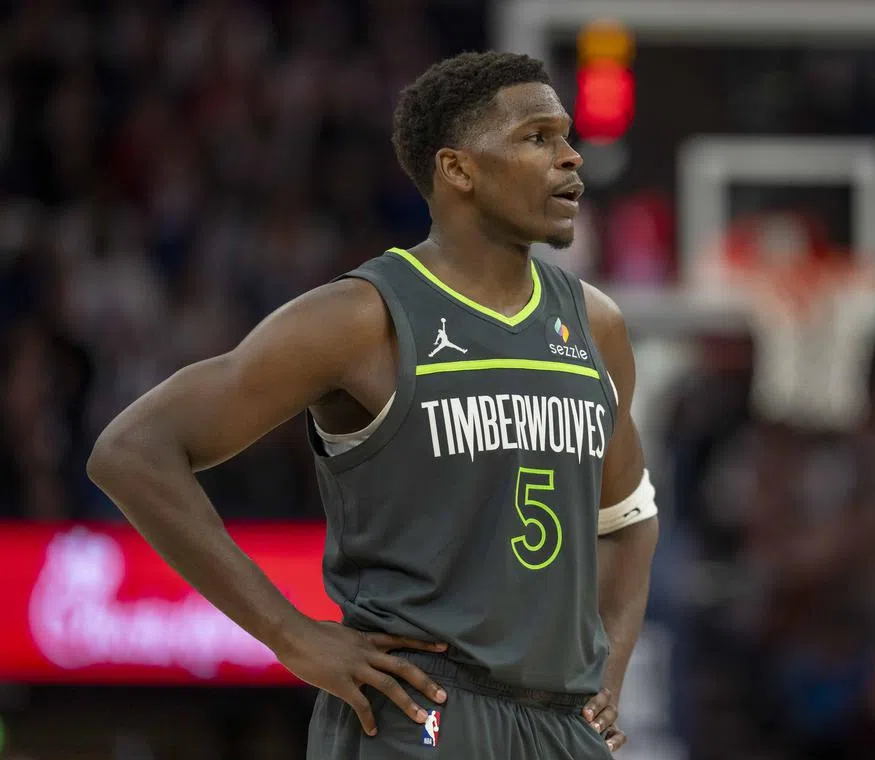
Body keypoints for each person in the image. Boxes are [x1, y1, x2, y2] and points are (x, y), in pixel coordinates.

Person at [87, 51, 660, 759]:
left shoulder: (595, 324)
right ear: (459, 170)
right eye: (537, 137)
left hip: (558, 723)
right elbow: (132, 451)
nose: (571, 156)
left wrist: (613, 664)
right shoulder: (361, 318)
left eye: (567, 136)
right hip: (421, 712)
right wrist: (289, 634)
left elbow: (628, 517)